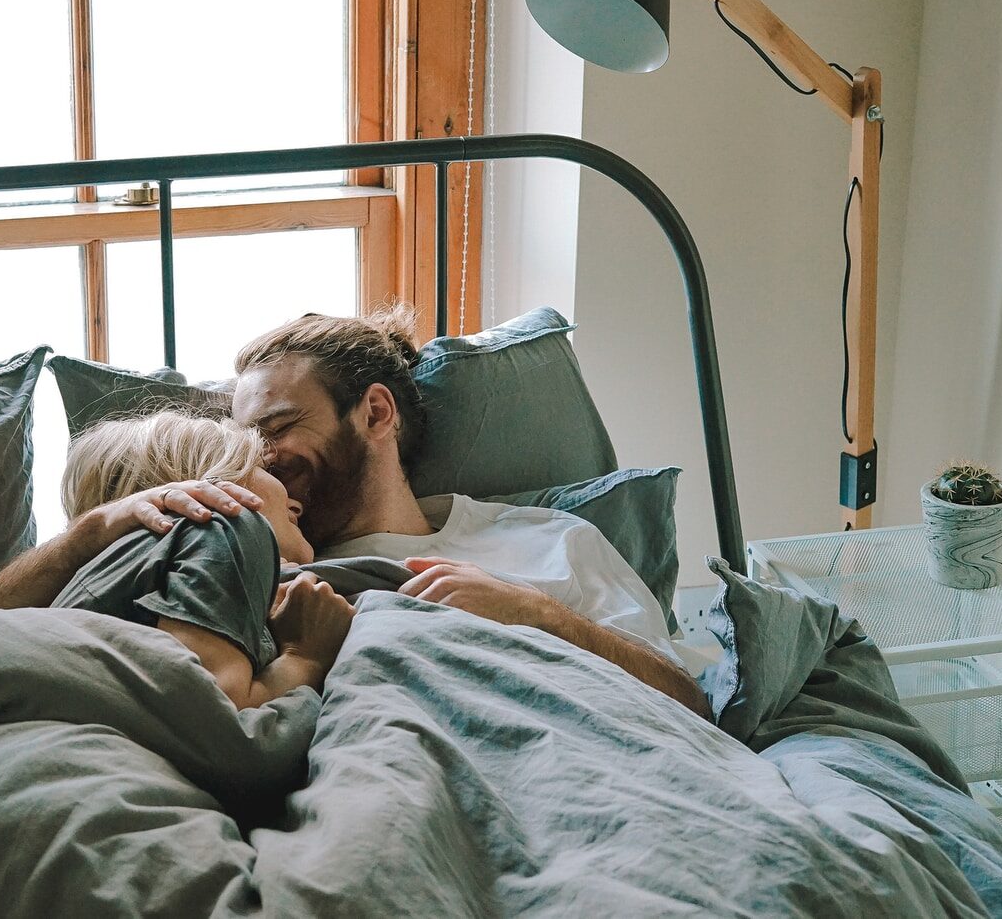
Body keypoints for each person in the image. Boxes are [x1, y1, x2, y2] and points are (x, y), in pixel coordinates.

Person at [230, 306, 711, 718]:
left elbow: (690, 704)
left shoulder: (551, 541)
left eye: (278, 427)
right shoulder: (254, 557)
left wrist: (535, 613)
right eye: (246, 443)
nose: (260, 458)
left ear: (376, 413)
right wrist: (153, 507)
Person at [0, 410, 354, 712]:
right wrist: (306, 658)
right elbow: (221, 721)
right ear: (210, 480)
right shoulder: (220, 529)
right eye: (264, 470)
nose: (294, 499)